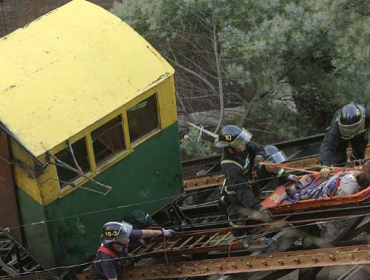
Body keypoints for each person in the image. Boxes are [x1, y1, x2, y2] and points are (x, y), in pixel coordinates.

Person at [214, 125, 273, 228]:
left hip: (250, 183)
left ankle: (256, 223)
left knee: (255, 202)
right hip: (236, 191)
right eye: (239, 143)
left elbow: (258, 148)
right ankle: (240, 235)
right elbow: (243, 190)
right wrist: (258, 208)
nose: (243, 144)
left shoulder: (242, 147)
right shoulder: (230, 165)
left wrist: (259, 156)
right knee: (239, 215)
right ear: (230, 147)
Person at [91, 221, 174, 280]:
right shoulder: (107, 258)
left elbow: (143, 233)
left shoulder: (123, 236)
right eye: (125, 237)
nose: (128, 237)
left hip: (118, 262)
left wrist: (163, 232)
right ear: (115, 242)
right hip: (103, 276)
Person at [319, 102, 370, 178]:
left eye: (353, 127)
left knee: (359, 152)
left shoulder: (368, 115)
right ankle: (341, 175)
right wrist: (325, 165)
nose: (351, 131)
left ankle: (359, 171)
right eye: (348, 129)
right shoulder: (335, 127)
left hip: (359, 133)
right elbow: (328, 144)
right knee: (339, 158)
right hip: (341, 137)